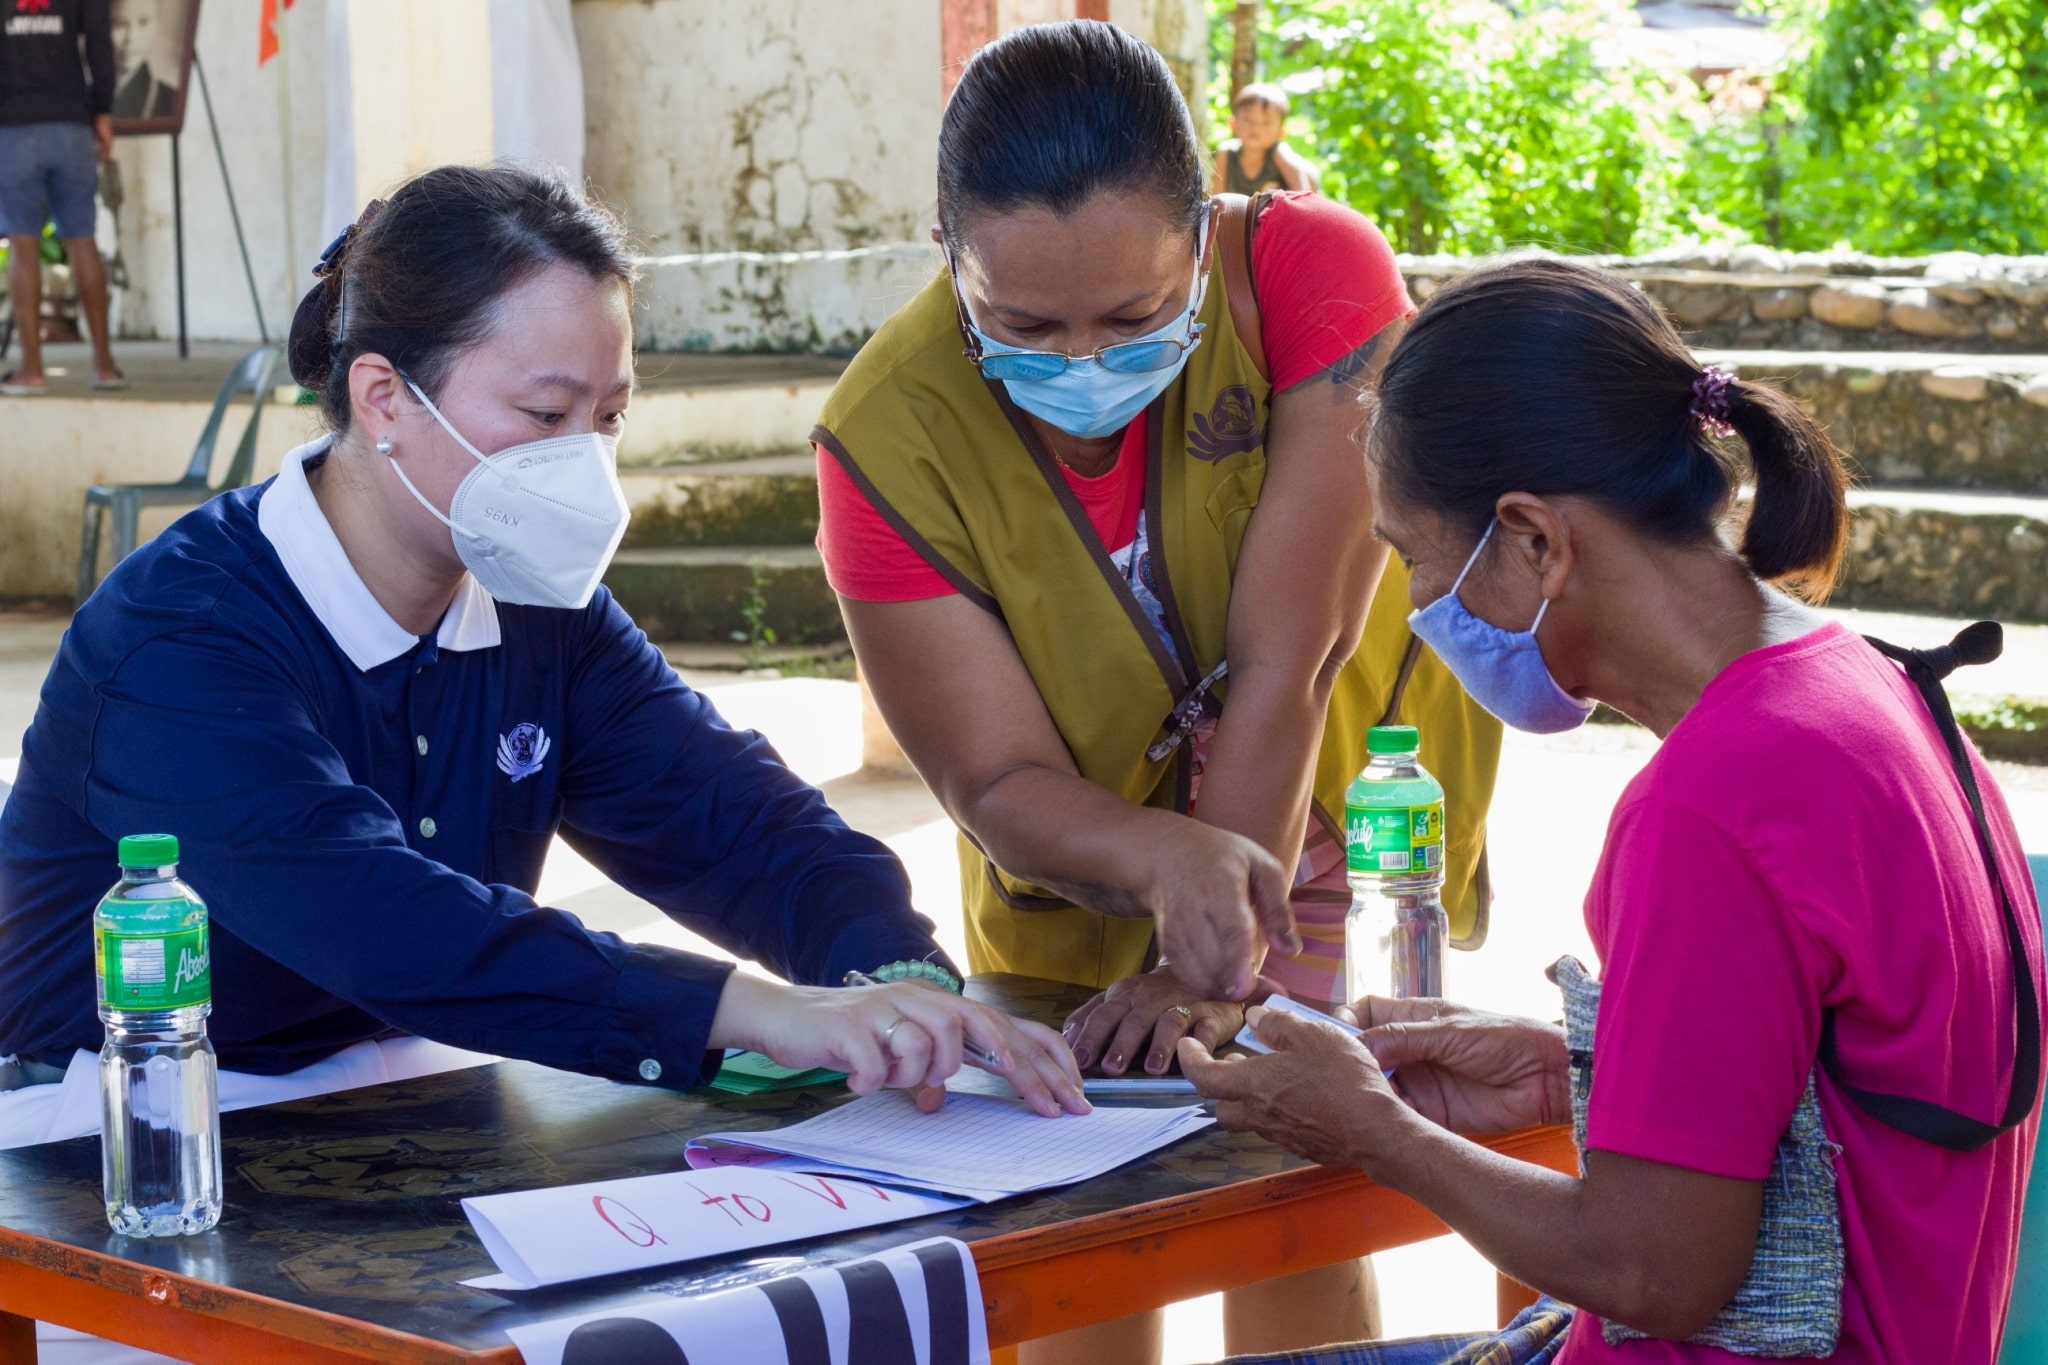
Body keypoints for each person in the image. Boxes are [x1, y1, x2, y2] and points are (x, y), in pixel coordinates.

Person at [0, 164, 1088, 1148]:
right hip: (123, 1135)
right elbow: (378, 919)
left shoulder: (538, 611)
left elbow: (733, 819)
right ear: (383, 398)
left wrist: (889, 978)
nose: (583, 458)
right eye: (545, 412)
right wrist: (754, 1009)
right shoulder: (181, 635)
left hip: (407, 1105)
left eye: (608, 417)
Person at [1183, 259, 2045, 1363]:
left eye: (1411, 555)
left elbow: (1653, 1274)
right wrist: (1572, 1067)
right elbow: (1841, 1092)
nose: (1413, 605)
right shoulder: (1872, 688)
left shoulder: (1711, 805)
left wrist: (1371, 1130)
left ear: (1533, 538)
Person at [814, 20, 1500, 1361]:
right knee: (1089, 1236)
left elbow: (1289, 654)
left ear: (1204, 232)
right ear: (946, 249)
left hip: (1328, 810)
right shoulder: (885, 435)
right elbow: (995, 780)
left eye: (1134, 319)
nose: (1082, 366)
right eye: (1022, 325)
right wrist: (1154, 866)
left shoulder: (1310, 268)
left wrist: (1221, 950)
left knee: (1296, 1200)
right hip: (1076, 849)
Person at [0, 0, 123, 394]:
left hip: (14, 124)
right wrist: (101, 109)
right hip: (71, 122)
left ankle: (31, 370)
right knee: (82, 239)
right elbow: (99, 43)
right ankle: (104, 366)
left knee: (23, 245)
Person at [1214, 83, 1319, 197]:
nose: (1255, 127)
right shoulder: (1226, 153)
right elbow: (1218, 198)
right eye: (1248, 119)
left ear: (1281, 132)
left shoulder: (1278, 152)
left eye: (1266, 123)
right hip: (1241, 213)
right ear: (1233, 123)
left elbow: (1302, 188)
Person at [109, 0, 175, 121]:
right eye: (119, 24)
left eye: (143, 22)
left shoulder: (170, 99)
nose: (131, 38)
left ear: (157, 24)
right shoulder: (81, 92)